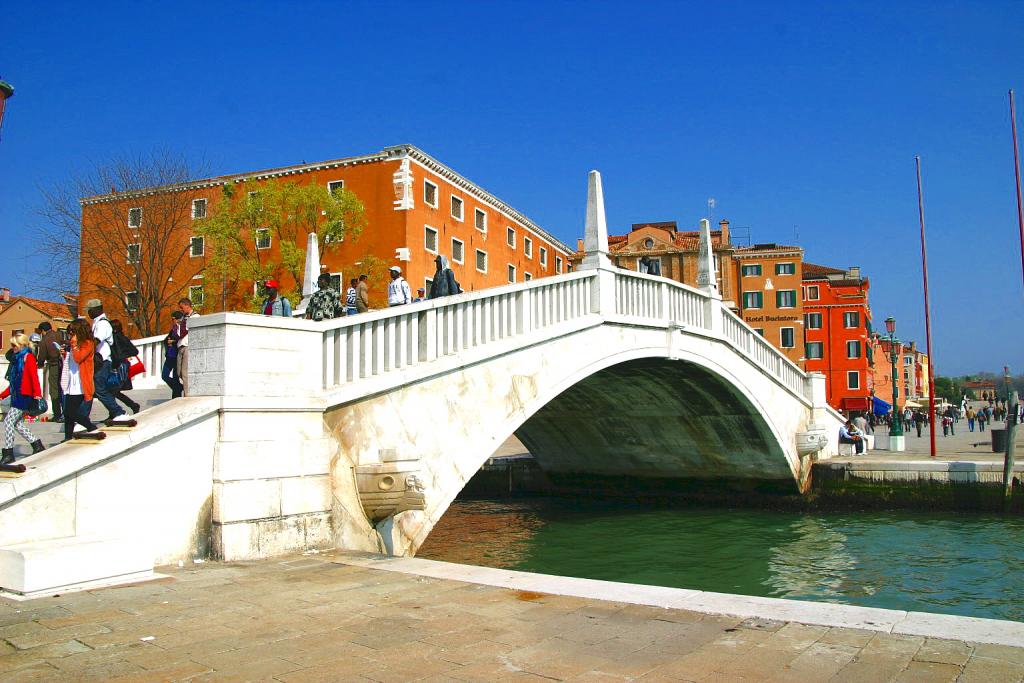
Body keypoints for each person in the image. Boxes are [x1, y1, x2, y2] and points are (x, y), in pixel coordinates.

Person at [1, 334, 45, 464]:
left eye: (14, 345)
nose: (12, 348)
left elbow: (34, 377)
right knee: (17, 424)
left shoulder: (28, 357)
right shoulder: (17, 359)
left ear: (22, 345)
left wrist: (37, 394)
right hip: (17, 395)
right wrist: (2, 394)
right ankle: (37, 445)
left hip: (24, 396)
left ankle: (8, 453)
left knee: (8, 421)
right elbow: (15, 382)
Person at [86, 298, 126, 425]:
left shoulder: (102, 324)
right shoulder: (97, 323)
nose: (88, 313)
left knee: (99, 389)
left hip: (102, 361)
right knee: (101, 389)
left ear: (97, 309)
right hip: (101, 361)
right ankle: (115, 412)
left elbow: (96, 341)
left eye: (90, 310)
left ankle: (118, 412)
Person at [61, 319, 101, 443]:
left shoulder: (88, 343)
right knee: (67, 413)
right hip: (71, 382)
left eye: (72, 332)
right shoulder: (76, 345)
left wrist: (73, 345)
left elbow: (78, 358)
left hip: (80, 383)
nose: (70, 335)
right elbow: (72, 360)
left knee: (71, 412)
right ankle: (67, 437)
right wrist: (64, 353)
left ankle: (91, 427)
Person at [110, 320, 141, 414]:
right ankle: (130, 406)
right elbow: (134, 351)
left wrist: (121, 356)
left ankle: (130, 406)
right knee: (113, 390)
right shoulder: (123, 337)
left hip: (118, 366)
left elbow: (134, 351)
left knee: (113, 390)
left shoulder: (115, 338)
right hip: (121, 365)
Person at [34, 321, 64, 423]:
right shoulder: (60, 334)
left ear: (43, 330)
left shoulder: (44, 340)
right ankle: (66, 412)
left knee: (54, 390)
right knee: (64, 389)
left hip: (54, 365)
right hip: (64, 364)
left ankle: (57, 414)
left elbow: (41, 357)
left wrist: (39, 365)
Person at [177, 298, 199, 397]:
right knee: (179, 372)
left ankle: (187, 395)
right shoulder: (183, 318)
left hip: (188, 346)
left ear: (187, 305)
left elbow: (186, 330)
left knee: (185, 372)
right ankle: (187, 390)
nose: (181, 310)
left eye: (182, 307)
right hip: (180, 346)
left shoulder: (195, 317)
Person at [162, 311, 184, 398]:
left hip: (176, 356)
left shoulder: (182, 329)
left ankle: (176, 396)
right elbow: (166, 339)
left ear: (177, 319)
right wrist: (168, 342)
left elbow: (182, 340)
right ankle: (179, 387)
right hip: (169, 356)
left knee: (175, 378)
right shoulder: (173, 329)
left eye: (173, 319)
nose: (172, 321)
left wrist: (173, 342)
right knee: (164, 376)